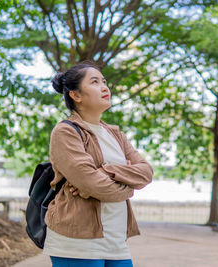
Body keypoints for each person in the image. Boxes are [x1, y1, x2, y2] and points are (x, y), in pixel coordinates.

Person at [42, 61, 153, 267]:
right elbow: (93, 184)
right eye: (95, 82)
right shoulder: (66, 131)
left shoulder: (115, 133)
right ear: (76, 95)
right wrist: (127, 181)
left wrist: (103, 171)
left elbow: (146, 172)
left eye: (104, 81)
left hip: (116, 240)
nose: (104, 87)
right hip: (77, 241)